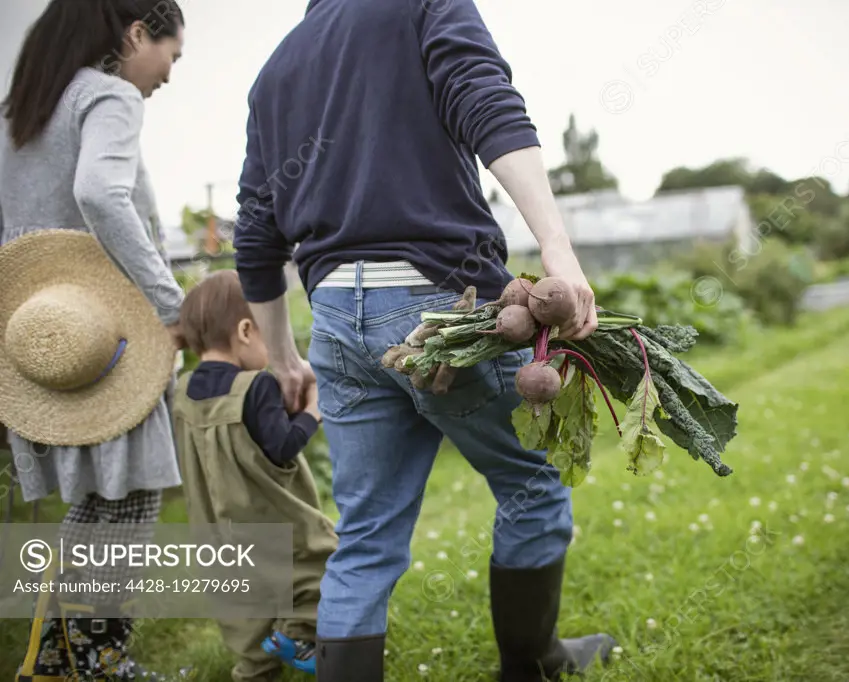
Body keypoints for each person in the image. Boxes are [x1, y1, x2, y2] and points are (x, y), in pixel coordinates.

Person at [231, 0, 616, 679]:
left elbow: (257, 232)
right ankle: (533, 665)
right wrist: (557, 245)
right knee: (531, 483)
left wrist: (285, 358)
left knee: (367, 537)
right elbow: (485, 99)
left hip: (335, 319)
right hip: (438, 298)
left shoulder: (275, 70)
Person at [0, 0, 190, 678]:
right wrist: (172, 306)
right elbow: (102, 195)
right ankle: (95, 660)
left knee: (99, 500)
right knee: (128, 500)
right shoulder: (105, 95)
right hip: (107, 337)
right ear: (137, 32)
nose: (169, 73)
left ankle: (60, 661)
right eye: (171, 52)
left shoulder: (19, 109)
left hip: (41, 338)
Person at [171, 270, 339, 681]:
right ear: (246, 330)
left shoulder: (182, 389)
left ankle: (254, 669)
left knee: (241, 604)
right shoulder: (255, 386)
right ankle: (296, 635)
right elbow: (282, 447)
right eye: (270, 335)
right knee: (321, 565)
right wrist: (312, 411)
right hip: (269, 518)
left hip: (216, 526)